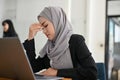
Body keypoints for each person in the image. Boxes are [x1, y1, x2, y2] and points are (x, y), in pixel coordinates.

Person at [23, 7, 97, 80]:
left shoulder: (75, 41)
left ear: (57, 22)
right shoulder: (50, 47)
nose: (44, 31)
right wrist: (31, 37)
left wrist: (56, 72)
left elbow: (91, 72)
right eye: (42, 28)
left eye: (45, 26)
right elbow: (32, 67)